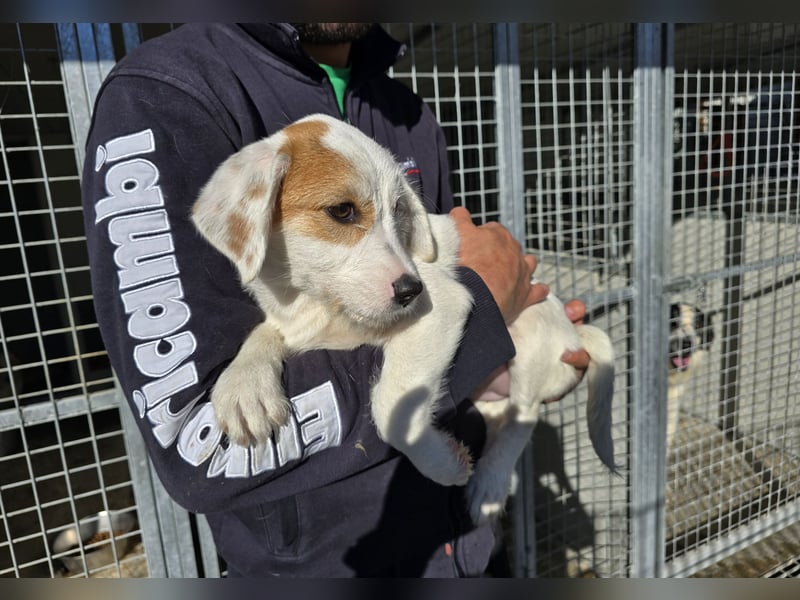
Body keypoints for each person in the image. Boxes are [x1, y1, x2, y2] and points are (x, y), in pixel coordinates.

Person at [81, 23, 589, 577]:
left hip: (465, 543)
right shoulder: (170, 92)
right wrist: (480, 313)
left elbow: (418, 296)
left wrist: (496, 358)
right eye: (342, 213)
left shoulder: (407, 112)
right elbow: (200, 446)